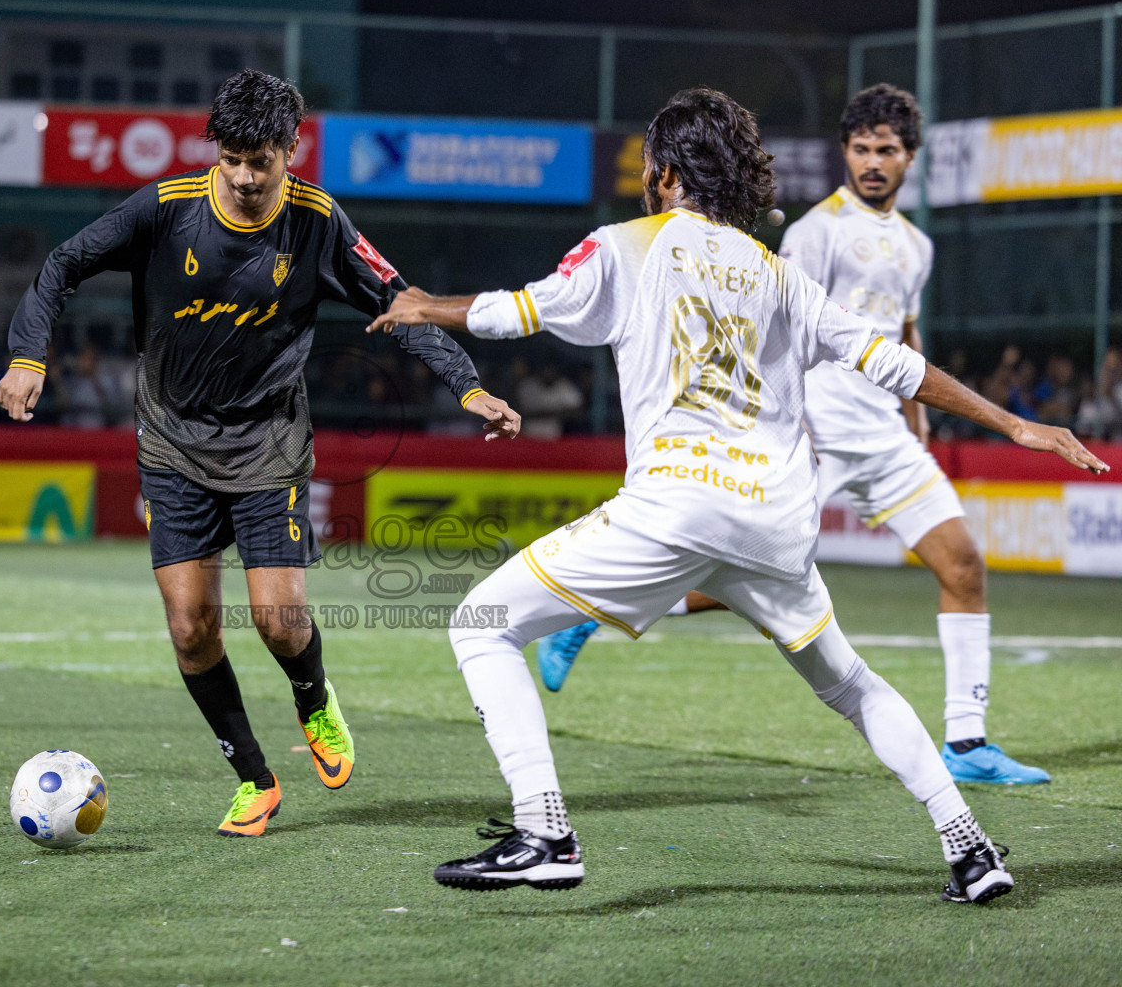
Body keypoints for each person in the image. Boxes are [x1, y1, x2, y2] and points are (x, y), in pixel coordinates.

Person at [368, 88, 1107, 901]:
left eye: (651, 168)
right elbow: (895, 364)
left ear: (668, 174)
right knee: (851, 684)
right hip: (775, 521)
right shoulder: (778, 272)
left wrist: (420, 308)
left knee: (481, 624)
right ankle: (970, 849)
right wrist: (1015, 424)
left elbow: (517, 312)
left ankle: (545, 831)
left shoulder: (628, 244)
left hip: (677, 506)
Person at [0, 69, 520, 837]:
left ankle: (314, 701)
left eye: (261, 161)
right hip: (171, 441)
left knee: (279, 621)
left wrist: (467, 386)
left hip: (268, 444)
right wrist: (27, 355)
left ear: (291, 151)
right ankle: (254, 778)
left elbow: (397, 304)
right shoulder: (165, 209)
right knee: (190, 628)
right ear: (216, 150)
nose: (243, 178)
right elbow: (60, 267)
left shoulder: (318, 222)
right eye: (231, 159)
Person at [536, 85, 1053, 787]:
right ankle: (592, 614)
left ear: (910, 159)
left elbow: (903, 330)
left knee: (964, 566)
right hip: (819, 431)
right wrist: (790, 425)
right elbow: (778, 326)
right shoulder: (815, 233)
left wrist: (918, 419)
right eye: (862, 148)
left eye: (888, 151)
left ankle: (966, 743)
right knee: (751, 565)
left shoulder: (918, 246)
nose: (874, 162)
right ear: (846, 151)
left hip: (889, 442)